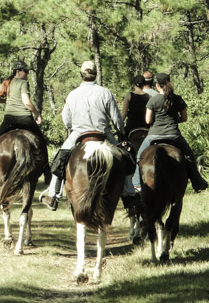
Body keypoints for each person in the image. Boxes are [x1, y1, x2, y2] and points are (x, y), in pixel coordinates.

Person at [39, 60, 138, 210]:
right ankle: (129, 194)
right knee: (124, 157)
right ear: (95, 74)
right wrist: (120, 129)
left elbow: (66, 119)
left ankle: (53, 196)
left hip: (79, 133)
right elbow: (117, 119)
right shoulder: (105, 92)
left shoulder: (73, 94)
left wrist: (72, 127)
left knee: (59, 158)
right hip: (103, 133)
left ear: (81, 75)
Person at [131, 72, 209, 192]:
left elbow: (148, 120)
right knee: (189, 156)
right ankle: (197, 182)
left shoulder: (153, 100)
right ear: (169, 83)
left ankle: (136, 184)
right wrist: (173, 120)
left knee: (140, 156)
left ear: (157, 85)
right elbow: (184, 118)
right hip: (174, 135)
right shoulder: (178, 99)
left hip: (154, 135)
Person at [0, 59, 49, 183]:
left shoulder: (7, 82)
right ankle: (47, 172)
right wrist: (37, 114)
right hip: (25, 118)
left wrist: (8, 101)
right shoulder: (22, 83)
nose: (27, 73)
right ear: (18, 71)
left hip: (9, 118)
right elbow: (27, 103)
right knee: (41, 141)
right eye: (25, 71)